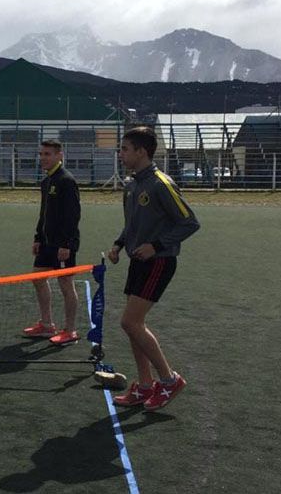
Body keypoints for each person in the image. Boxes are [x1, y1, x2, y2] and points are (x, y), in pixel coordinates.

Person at [107, 126, 200, 412]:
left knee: (130, 323)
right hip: (138, 260)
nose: (120, 153)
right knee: (134, 327)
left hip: (158, 262)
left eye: (125, 148)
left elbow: (190, 222)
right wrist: (119, 244)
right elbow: (133, 223)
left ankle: (170, 380)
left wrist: (156, 246)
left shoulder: (161, 183)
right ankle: (146, 386)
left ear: (141, 151)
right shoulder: (132, 184)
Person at [23, 140, 82, 346]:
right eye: (41, 154)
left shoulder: (66, 180)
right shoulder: (47, 181)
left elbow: (73, 215)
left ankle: (70, 330)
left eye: (47, 154)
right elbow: (44, 213)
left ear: (59, 155)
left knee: (65, 284)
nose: (42, 158)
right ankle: (47, 325)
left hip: (63, 245)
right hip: (47, 243)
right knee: (37, 278)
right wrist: (38, 237)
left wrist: (66, 244)